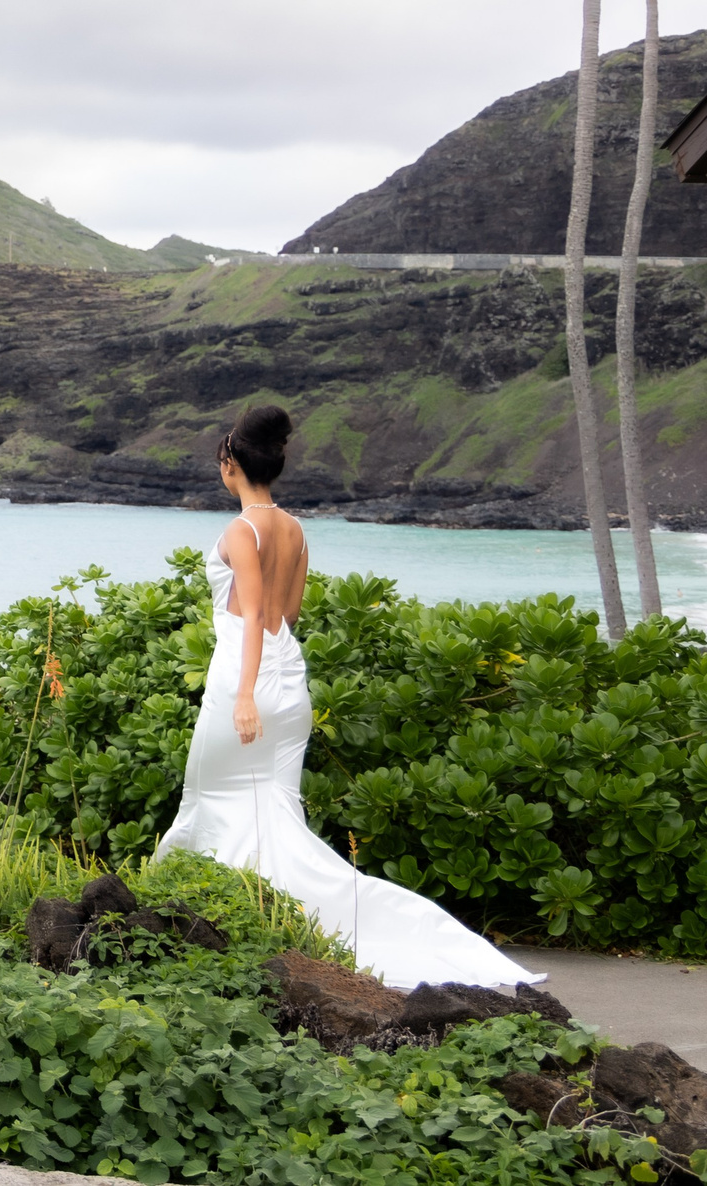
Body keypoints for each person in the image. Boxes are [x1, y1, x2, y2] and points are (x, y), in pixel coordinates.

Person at [154, 404, 541, 990]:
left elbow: (255, 616)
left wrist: (244, 698)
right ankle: (272, 925)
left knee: (211, 800)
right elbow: (288, 615)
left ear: (231, 462)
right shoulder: (295, 529)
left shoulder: (242, 529)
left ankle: (227, 927)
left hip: (247, 681)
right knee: (273, 814)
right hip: (290, 682)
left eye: (220, 462)